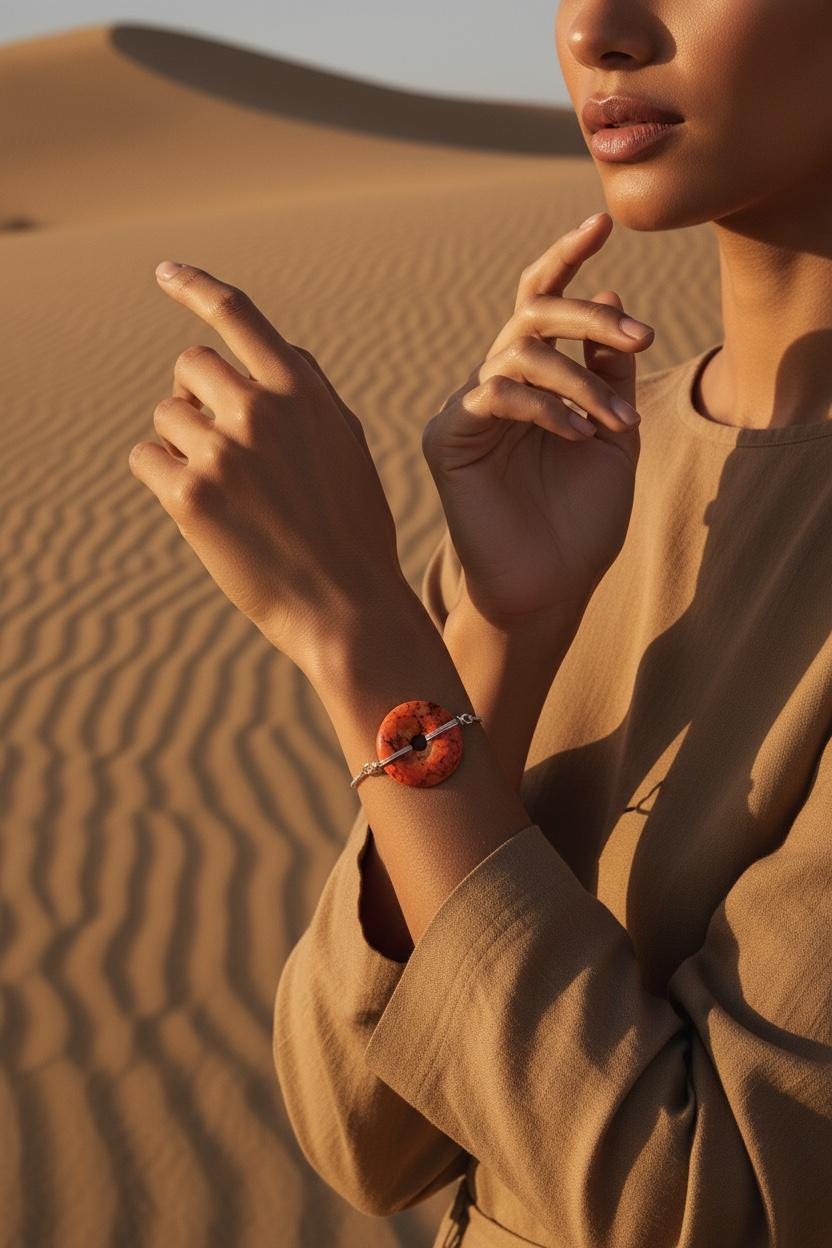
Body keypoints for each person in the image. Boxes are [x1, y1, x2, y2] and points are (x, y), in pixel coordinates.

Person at [140, 2, 832, 1245]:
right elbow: (366, 1128)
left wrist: (368, 641)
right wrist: (505, 637)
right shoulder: (597, 463)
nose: (596, 29)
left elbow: (696, 1206)